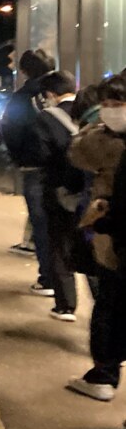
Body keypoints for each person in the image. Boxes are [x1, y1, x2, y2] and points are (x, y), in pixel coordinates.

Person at [67, 76, 126, 401]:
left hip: (113, 232)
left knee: (108, 305)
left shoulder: (106, 142)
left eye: (117, 105)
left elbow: (79, 152)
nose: (111, 112)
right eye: (106, 105)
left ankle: (103, 374)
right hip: (112, 233)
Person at [0, 48, 56, 288]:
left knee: (41, 224)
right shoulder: (60, 91)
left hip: (33, 167)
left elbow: (10, 130)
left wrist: (20, 159)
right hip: (63, 167)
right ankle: (62, 282)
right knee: (57, 226)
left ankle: (48, 279)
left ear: (24, 71)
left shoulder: (22, 97)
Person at [31, 70, 84, 320]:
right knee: (90, 244)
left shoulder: (46, 118)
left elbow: (40, 155)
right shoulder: (89, 109)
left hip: (58, 189)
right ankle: (99, 298)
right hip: (88, 192)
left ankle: (66, 305)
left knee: (59, 244)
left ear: (50, 94)